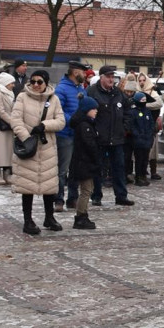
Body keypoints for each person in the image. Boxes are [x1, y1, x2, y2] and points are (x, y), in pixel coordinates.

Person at [10, 70, 66, 235]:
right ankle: (28, 220)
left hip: (47, 147)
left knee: (48, 185)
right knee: (27, 186)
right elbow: (15, 120)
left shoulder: (53, 99)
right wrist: (27, 138)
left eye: (39, 82)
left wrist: (45, 125)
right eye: (32, 81)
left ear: (46, 83)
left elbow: (61, 121)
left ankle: (49, 217)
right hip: (28, 148)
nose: (35, 84)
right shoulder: (22, 97)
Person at [86, 66, 133, 206]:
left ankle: (121, 196)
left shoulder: (118, 93)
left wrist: (125, 127)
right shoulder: (92, 92)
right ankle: (96, 196)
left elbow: (128, 111)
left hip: (117, 138)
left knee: (118, 168)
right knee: (97, 168)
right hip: (99, 138)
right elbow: (86, 112)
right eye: (108, 77)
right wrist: (92, 131)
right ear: (101, 77)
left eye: (113, 77)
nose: (111, 79)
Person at [55, 61, 88, 212]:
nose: (85, 75)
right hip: (65, 134)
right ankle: (58, 199)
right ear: (75, 72)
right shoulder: (61, 89)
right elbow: (58, 111)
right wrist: (74, 121)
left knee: (76, 169)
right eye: (83, 72)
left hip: (79, 135)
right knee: (63, 170)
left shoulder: (81, 88)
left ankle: (72, 198)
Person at [68, 97, 101, 229]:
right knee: (86, 190)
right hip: (84, 163)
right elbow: (90, 145)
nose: (96, 111)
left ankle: (83, 214)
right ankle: (81, 216)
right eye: (93, 109)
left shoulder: (86, 123)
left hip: (84, 162)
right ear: (87, 110)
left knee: (87, 189)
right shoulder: (84, 125)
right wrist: (97, 158)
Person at [123, 83, 156, 186]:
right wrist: (137, 135)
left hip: (147, 140)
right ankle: (138, 177)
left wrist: (150, 134)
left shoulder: (147, 111)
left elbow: (151, 124)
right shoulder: (133, 112)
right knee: (138, 159)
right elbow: (132, 126)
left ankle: (143, 176)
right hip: (137, 140)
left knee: (145, 160)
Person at [136, 73, 164, 181]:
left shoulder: (153, 93)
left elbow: (159, 103)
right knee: (140, 152)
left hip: (150, 125)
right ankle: (141, 172)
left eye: (143, 80)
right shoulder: (137, 92)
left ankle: (153, 171)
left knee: (152, 151)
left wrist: (143, 104)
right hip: (139, 126)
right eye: (140, 80)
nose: (142, 82)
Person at [0, 72, 16, 185]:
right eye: (11, 83)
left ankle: (7, 173)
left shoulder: (11, 93)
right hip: (1, 126)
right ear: (6, 83)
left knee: (8, 151)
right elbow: (0, 111)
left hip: (10, 126)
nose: (13, 85)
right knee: (0, 151)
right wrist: (12, 121)